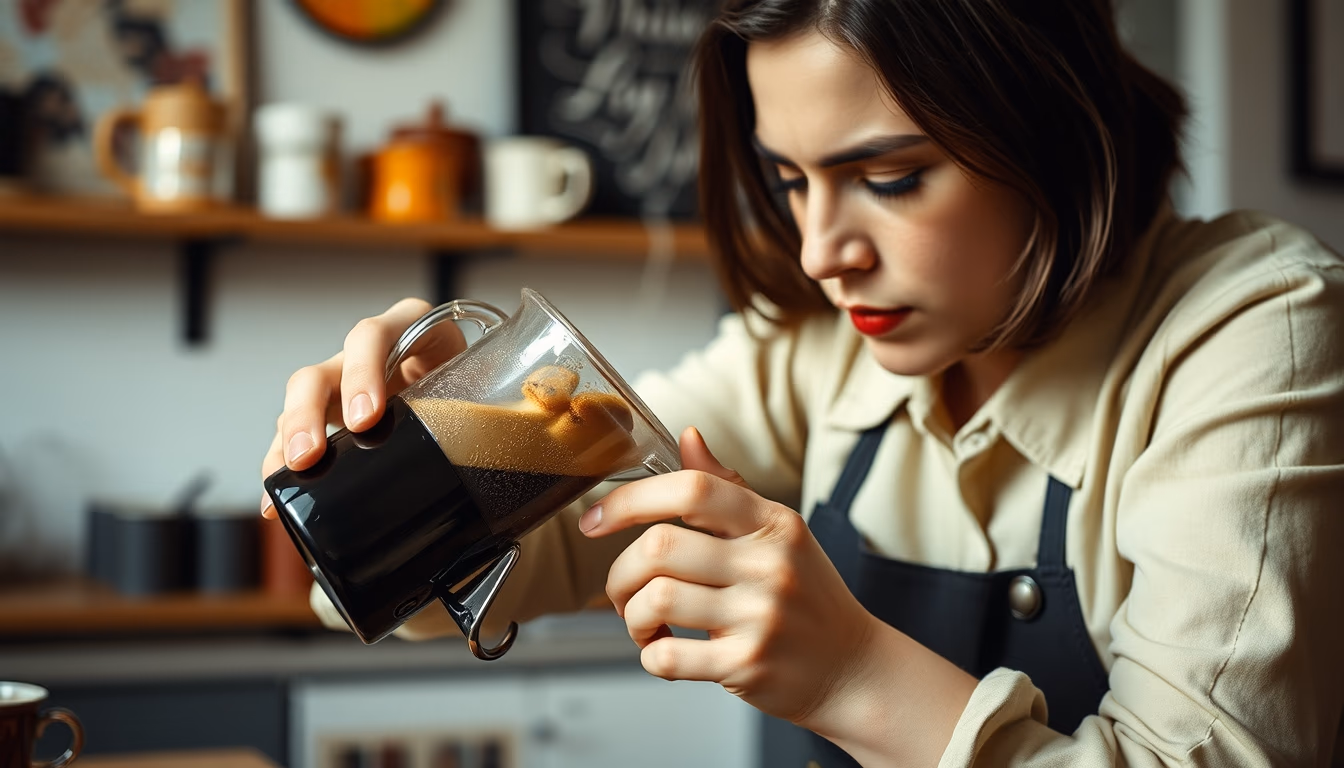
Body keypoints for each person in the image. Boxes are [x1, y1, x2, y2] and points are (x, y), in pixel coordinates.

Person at [260, 0, 1344, 764]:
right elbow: (508, 559)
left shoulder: (1254, 327)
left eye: (891, 179)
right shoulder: (813, 351)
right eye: (790, 181)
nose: (824, 253)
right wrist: (420, 459)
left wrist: (853, 679)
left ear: (1052, 127)